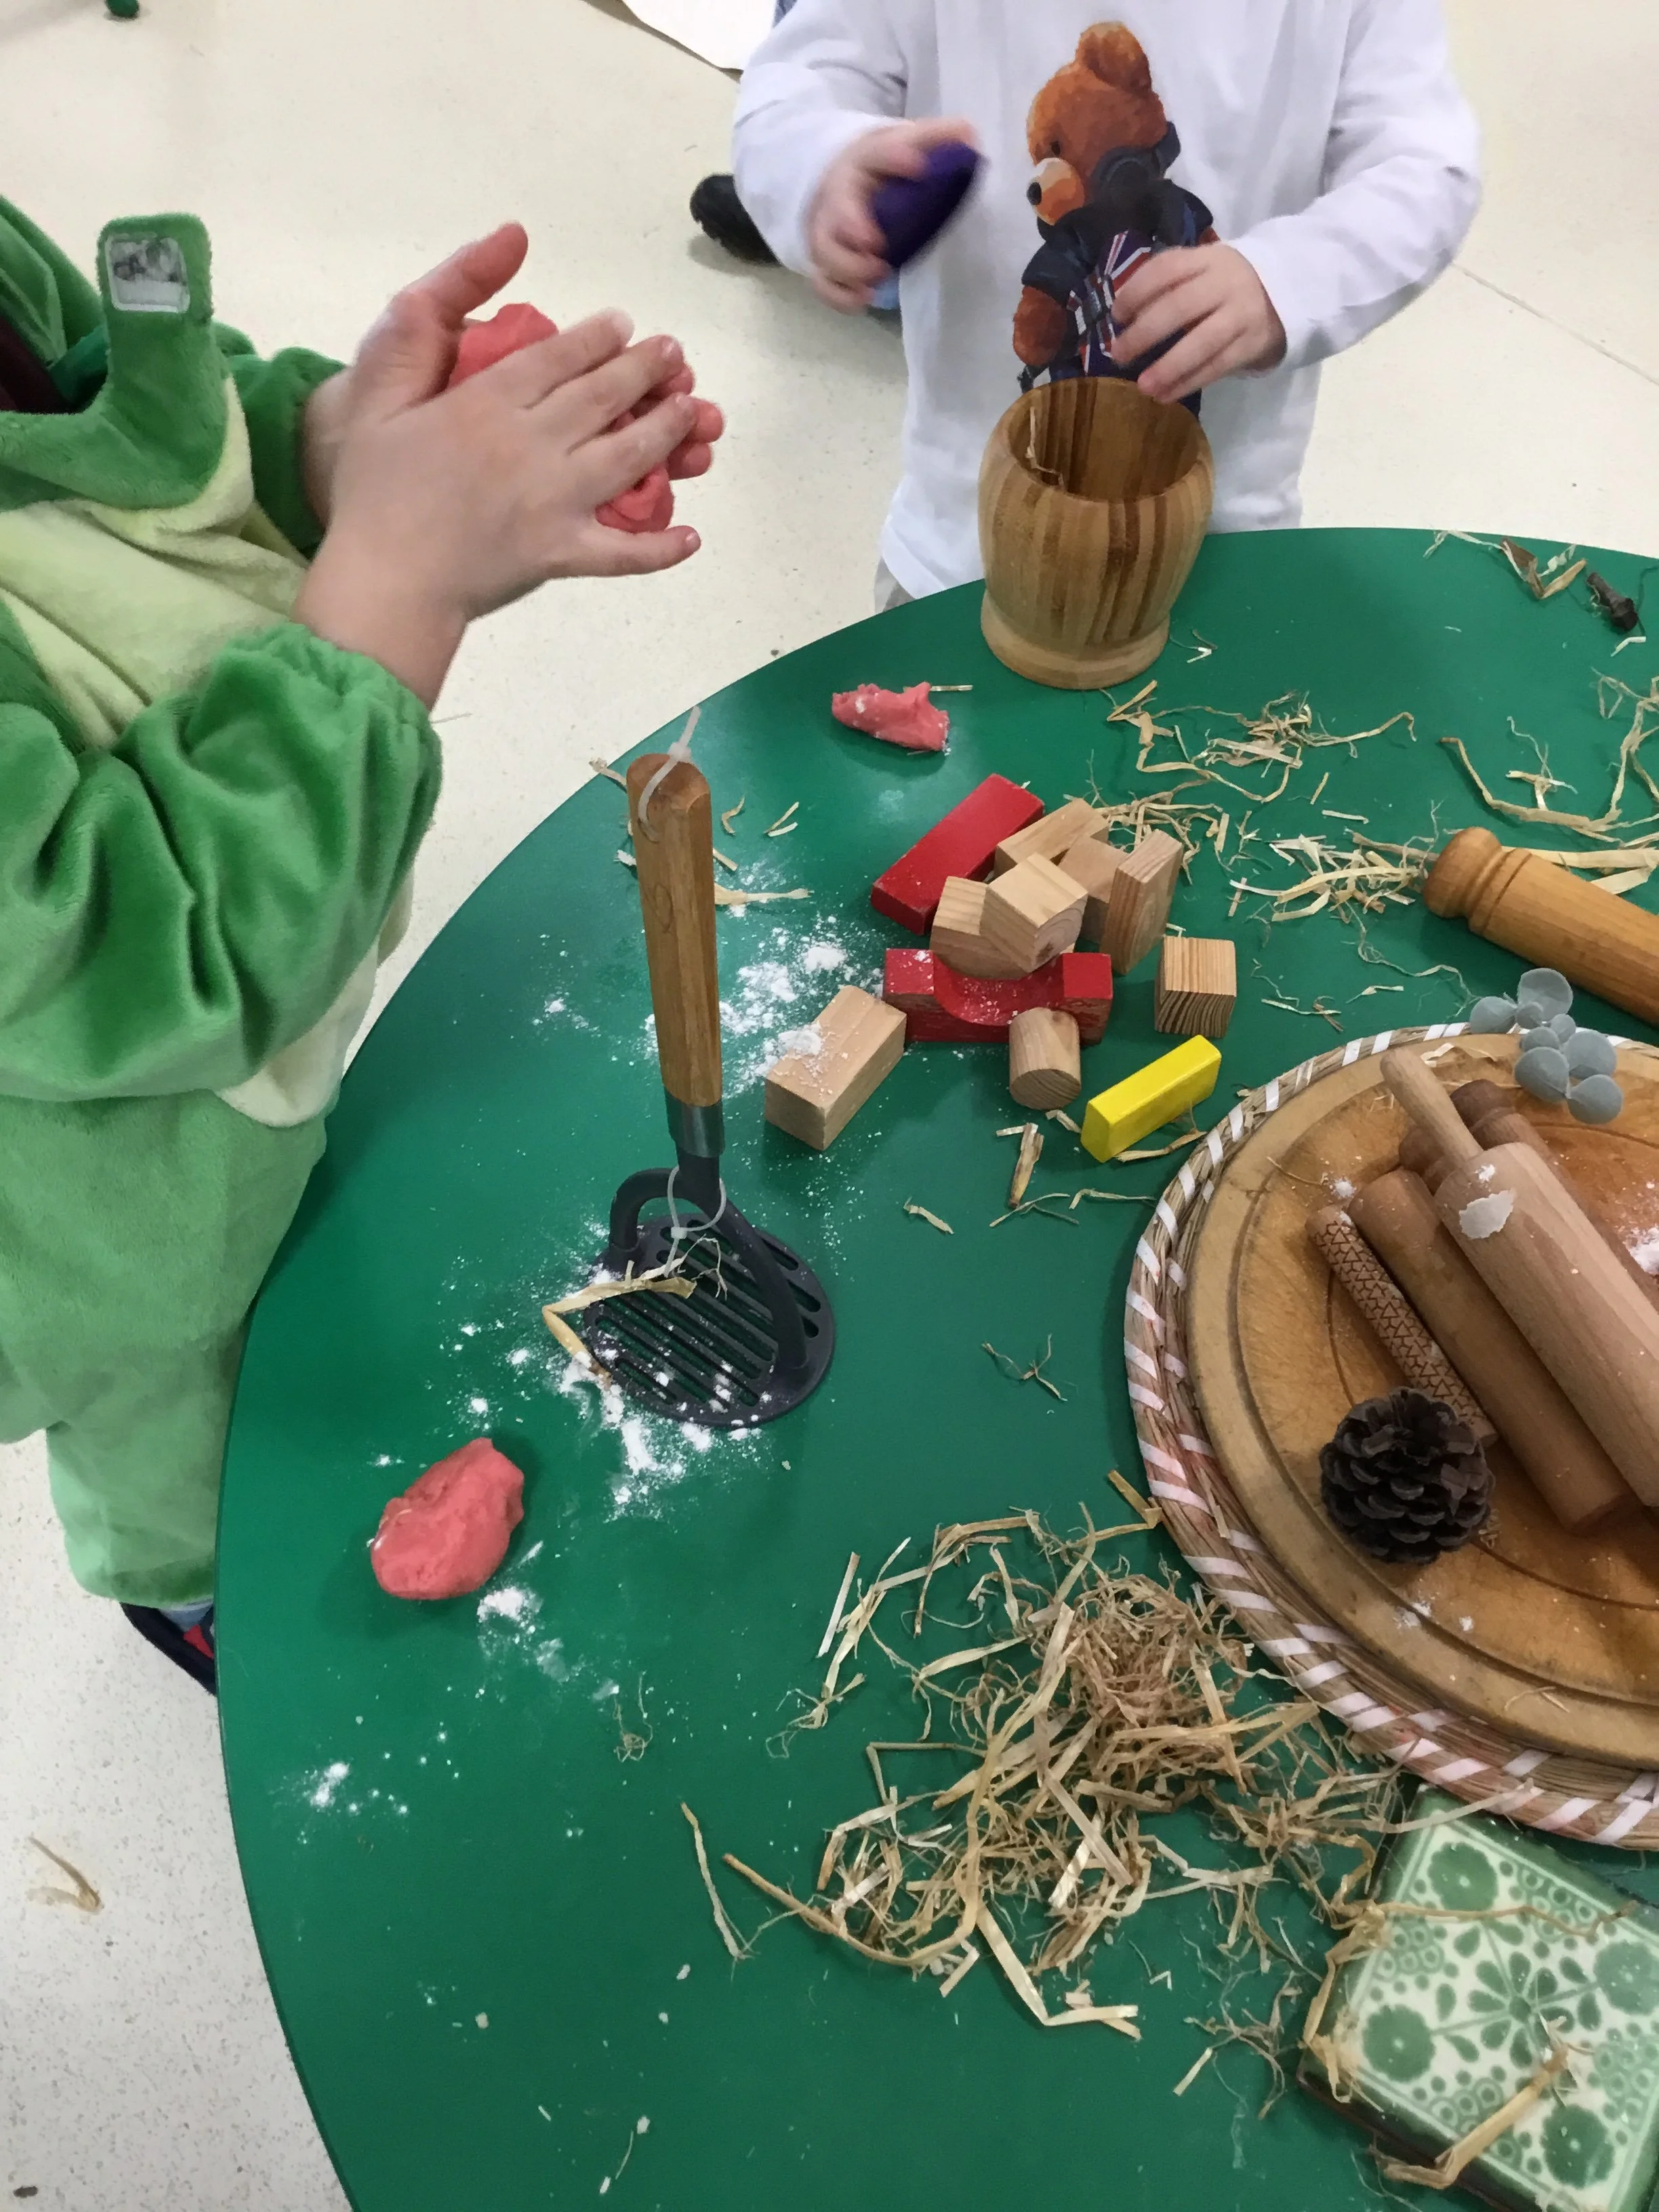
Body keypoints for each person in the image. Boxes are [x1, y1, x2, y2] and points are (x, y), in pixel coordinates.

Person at [0, 204, 721, 1691]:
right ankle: (202, 1592)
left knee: (306, 1240)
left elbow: (105, 424)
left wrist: (328, 452)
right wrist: (395, 584)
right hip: (93, 1200)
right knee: (189, 1405)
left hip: (252, 1019)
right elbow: (153, 945)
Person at [731, 3, 1480, 608]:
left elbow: (1427, 167)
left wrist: (1285, 281)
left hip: (1217, 541)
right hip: (967, 548)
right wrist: (819, 170)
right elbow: (800, 83)